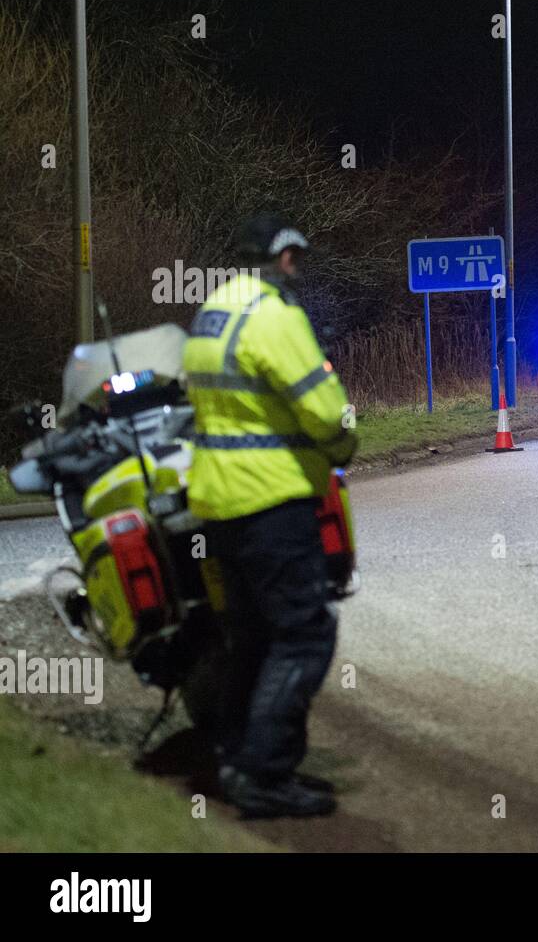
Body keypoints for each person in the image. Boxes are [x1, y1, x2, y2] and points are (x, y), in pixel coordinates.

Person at [182, 213, 356, 818]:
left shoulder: (213, 311)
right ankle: (264, 773)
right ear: (283, 259)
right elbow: (327, 413)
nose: (297, 269)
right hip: (272, 502)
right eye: (295, 259)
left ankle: (235, 756)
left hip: (219, 504)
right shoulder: (275, 317)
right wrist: (341, 449)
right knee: (305, 633)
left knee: (251, 635)